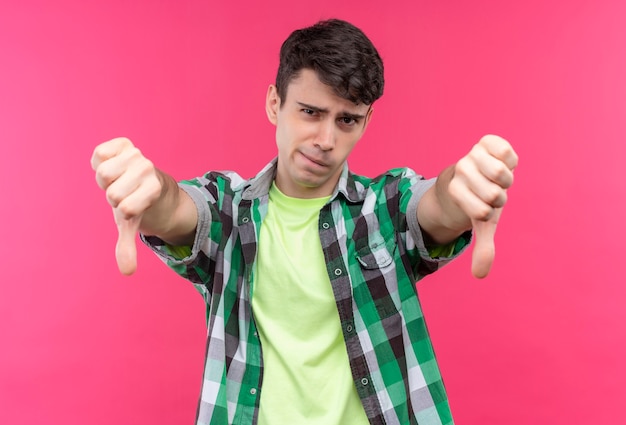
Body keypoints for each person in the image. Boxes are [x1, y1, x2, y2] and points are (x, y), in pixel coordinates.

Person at [91, 19, 518, 425]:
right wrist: (151, 192)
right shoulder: (229, 210)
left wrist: (462, 189)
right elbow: (179, 210)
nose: (326, 141)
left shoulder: (383, 207)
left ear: (366, 122)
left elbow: (434, 206)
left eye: (346, 120)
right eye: (311, 112)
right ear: (275, 103)